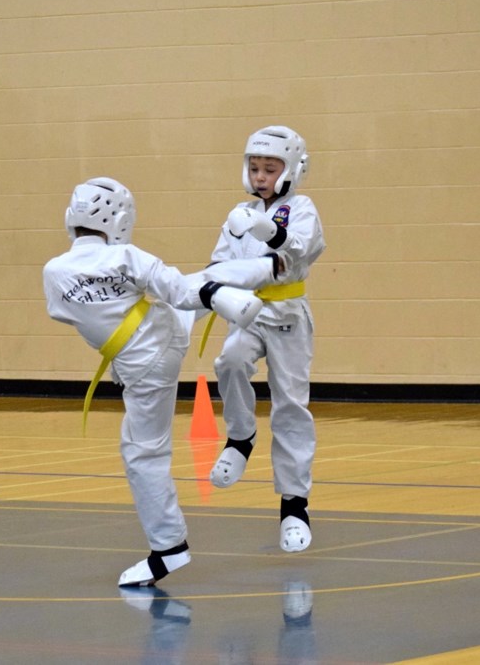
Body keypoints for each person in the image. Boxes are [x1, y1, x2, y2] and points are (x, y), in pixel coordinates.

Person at [43, 177, 281, 586]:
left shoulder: (53, 272)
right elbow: (180, 293)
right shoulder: (127, 256)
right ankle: (263, 262)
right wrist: (213, 297)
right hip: (159, 338)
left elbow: (66, 313)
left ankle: (169, 548)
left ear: (71, 218)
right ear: (119, 220)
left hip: (146, 362)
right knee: (201, 282)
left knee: (143, 454)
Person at [207, 125, 326, 552]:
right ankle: (240, 438)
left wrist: (264, 229)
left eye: (269, 169)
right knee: (231, 360)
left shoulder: (303, 208)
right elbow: (220, 261)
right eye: (254, 168)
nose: (260, 177)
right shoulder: (237, 215)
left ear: (292, 169)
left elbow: (297, 252)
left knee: (290, 405)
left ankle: (294, 505)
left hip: (289, 314)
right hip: (249, 312)